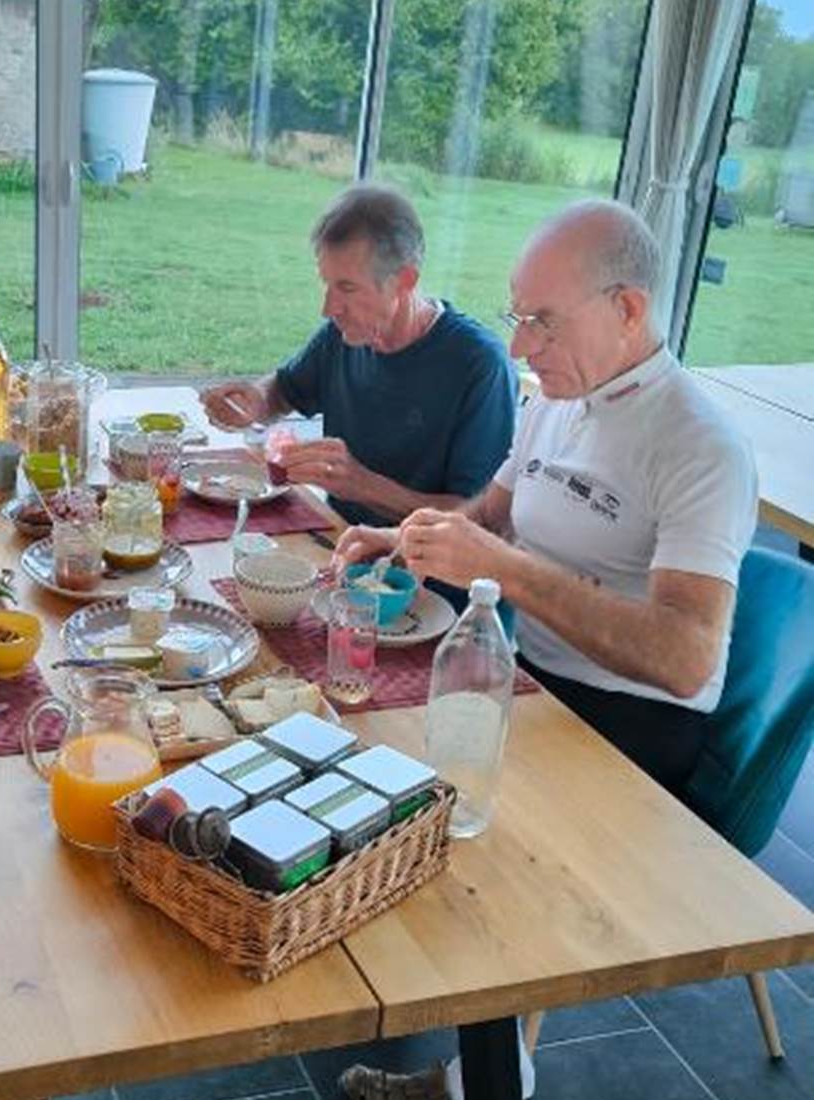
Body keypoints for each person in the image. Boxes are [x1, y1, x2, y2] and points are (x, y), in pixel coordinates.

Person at [332, 200, 757, 1100]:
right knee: (355, 722)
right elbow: (489, 516)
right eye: (516, 316)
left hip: (636, 731)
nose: (521, 346)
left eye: (543, 322)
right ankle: (429, 1018)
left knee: (458, 829)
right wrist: (404, 535)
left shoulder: (701, 448)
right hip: (534, 687)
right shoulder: (554, 403)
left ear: (628, 309)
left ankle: (482, 1078)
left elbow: (686, 656)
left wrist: (507, 572)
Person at [200, 183, 517, 529]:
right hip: (338, 536)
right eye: (327, 284)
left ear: (404, 281)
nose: (328, 308)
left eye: (347, 288)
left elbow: (478, 520)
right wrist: (255, 401)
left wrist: (362, 485)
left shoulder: (480, 365)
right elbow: (285, 391)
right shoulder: (343, 336)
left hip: (417, 561)